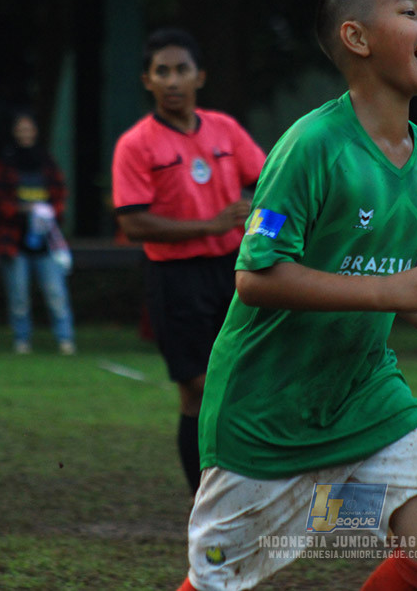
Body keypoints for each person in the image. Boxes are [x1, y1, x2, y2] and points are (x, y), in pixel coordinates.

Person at [177, 0, 417, 591]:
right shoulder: (311, 146)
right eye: (410, 12)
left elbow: (386, 269)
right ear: (356, 37)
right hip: (268, 414)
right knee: (220, 577)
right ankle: (302, 510)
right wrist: (390, 293)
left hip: (363, 395)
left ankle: (318, 508)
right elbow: (256, 277)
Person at [111, 28, 267, 497]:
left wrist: (266, 232)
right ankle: (205, 499)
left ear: (200, 76)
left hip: (237, 273)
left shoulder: (225, 130)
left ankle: (247, 484)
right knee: (197, 389)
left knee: (247, 382)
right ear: (147, 81)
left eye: (182, 69)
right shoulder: (136, 145)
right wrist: (211, 225)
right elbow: (134, 224)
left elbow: (267, 184)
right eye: (163, 71)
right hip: (175, 279)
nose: (173, 80)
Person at [0, 112, 76, 355]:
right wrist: (22, 209)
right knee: (19, 297)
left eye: (29, 129)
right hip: (14, 241)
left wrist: (49, 212)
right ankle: (22, 341)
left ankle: (65, 340)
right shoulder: (5, 164)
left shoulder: (47, 162)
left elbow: (61, 196)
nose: (25, 134)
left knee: (56, 294)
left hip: (47, 243)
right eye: (21, 129)